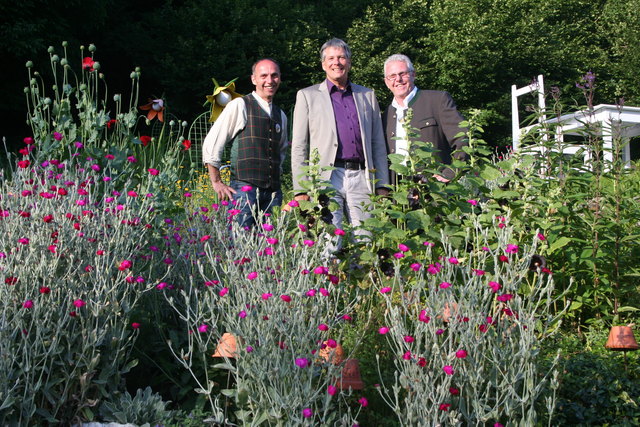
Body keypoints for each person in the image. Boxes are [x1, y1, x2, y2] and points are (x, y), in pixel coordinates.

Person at [291, 38, 389, 242]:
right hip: (326, 178)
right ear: (323, 64)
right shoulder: (307, 96)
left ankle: (361, 274)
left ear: (349, 62)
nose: (337, 62)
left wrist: (382, 184)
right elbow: (299, 146)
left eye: (342, 57)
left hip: (362, 176)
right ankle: (330, 274)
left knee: (365, 239)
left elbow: (377, 143)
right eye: (331, 58)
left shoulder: (367, 95)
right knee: (330, 242)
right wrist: (301, 189)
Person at [202, 58, 287, 229]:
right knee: (239, 245)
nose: (269, 81)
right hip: (244, 189)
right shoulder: (240, 105)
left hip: (273, 194)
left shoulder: (281, 115)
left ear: (279, 78)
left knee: (269, 248)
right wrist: (216, 181)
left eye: (274, 75)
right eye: (263, 76)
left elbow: (281, 152)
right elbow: (213, 141)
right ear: (254, 79)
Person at [382, 54, 468, 185]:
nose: (398, 79)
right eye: (392, 76)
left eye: (403, 74)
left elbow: (463, 137)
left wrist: (452, 171)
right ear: (386, 82)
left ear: (413, 74)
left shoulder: (437, 101)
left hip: (433, 189)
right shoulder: (386, 115)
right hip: (399, 192)